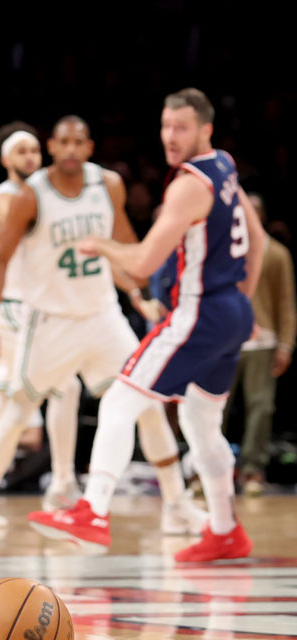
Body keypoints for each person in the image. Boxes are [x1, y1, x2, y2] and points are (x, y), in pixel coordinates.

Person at [28, 89, 267, 563]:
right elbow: (256, 236)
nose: (170, 136)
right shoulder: (224, 165)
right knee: (201, 421)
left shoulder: (188, 185)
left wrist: (104, 245)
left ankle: (92, 511)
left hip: (198, 312)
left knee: (120, 398)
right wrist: (242, 301)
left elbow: (141, 264)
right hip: (230, 311)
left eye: (181, 127)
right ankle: (225, 530)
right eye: (165, 126)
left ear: (205, 129)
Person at [0, 115, 206, 546]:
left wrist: (137, 292)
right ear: (53, 146)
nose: (71, 150)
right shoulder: (31, 194)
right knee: (18, 407)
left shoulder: (108, 185)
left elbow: (121, 244)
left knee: (148, 401)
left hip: (102, 317)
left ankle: (176, 504)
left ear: (90, 147)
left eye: (79, 142)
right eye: (63, 142)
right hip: (51, 321)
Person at [0, 123, 85, 535]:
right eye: (21, 151)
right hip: (6, 310)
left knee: (36, 396)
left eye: (34, 150)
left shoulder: (33, 195)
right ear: (5, 159)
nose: (30, 157)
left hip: (25, 309)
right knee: (25, 400)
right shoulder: (7, 199)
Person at [228, 194, 295, 495]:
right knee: (211, 409)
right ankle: (208, 470)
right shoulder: (223, 250)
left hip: (263, 340)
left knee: (261, 407)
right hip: (225, 340)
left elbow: (285, 302)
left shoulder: (276, 253)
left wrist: (285, 345)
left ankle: (253, 469)